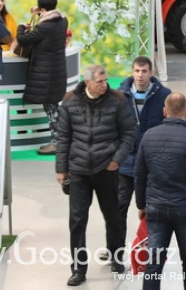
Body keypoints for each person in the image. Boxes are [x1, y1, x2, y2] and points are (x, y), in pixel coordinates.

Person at [55, 64, 137, 286]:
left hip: (107, 170)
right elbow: (63, 137)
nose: (105, 84)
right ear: (88, 82)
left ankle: (116, 258)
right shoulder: (70, 101)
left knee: (114, 217)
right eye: (100, 81)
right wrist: (61, 169)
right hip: (79, 171)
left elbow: (130, 133)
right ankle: (78, 269)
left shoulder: (118, 100)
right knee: (77, 220)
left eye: (105, 80)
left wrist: (116, 160)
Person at [135, 93, 186, 290]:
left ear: (164, 111)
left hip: (156, 208)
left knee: (154, 264)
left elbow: (140, 174)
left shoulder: (148, 136)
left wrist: (141, 204)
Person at [117, 56, 174, 249]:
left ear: (151, 73)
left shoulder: (164, 95)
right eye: (137, 71)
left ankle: (153, 246)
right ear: (132, 72)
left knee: (153, 209)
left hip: (151, 164)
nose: (140, 75)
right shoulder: (119, 95)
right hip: (125, 162)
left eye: (144, 71)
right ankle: (114, 248)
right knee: (119, 207)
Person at [15, 0, 69, 155]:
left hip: (46, 74)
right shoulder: (62, 21)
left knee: (51, 109)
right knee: (54, 107)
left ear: (42, 8)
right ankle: (61, 140)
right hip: (57, 71)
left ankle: (56, 142)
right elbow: (48, 18)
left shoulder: (43, 28)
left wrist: (21, 27)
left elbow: (23, 39)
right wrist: (39, 13)